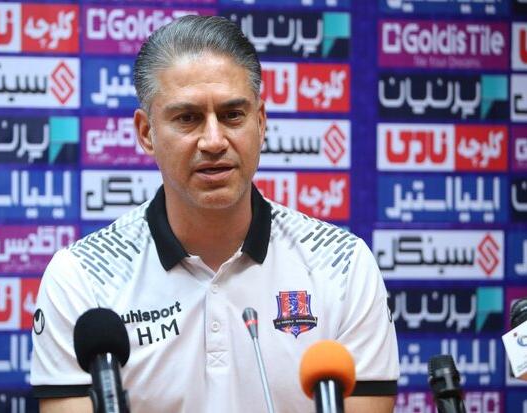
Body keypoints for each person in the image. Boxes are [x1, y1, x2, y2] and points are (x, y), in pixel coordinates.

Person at [30, 15, 399, 413]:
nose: (213, 141)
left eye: (232, 115)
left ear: (261, 122)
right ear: (146, 133)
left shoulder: (343, 265)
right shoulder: (82, 277)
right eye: (187, 118)